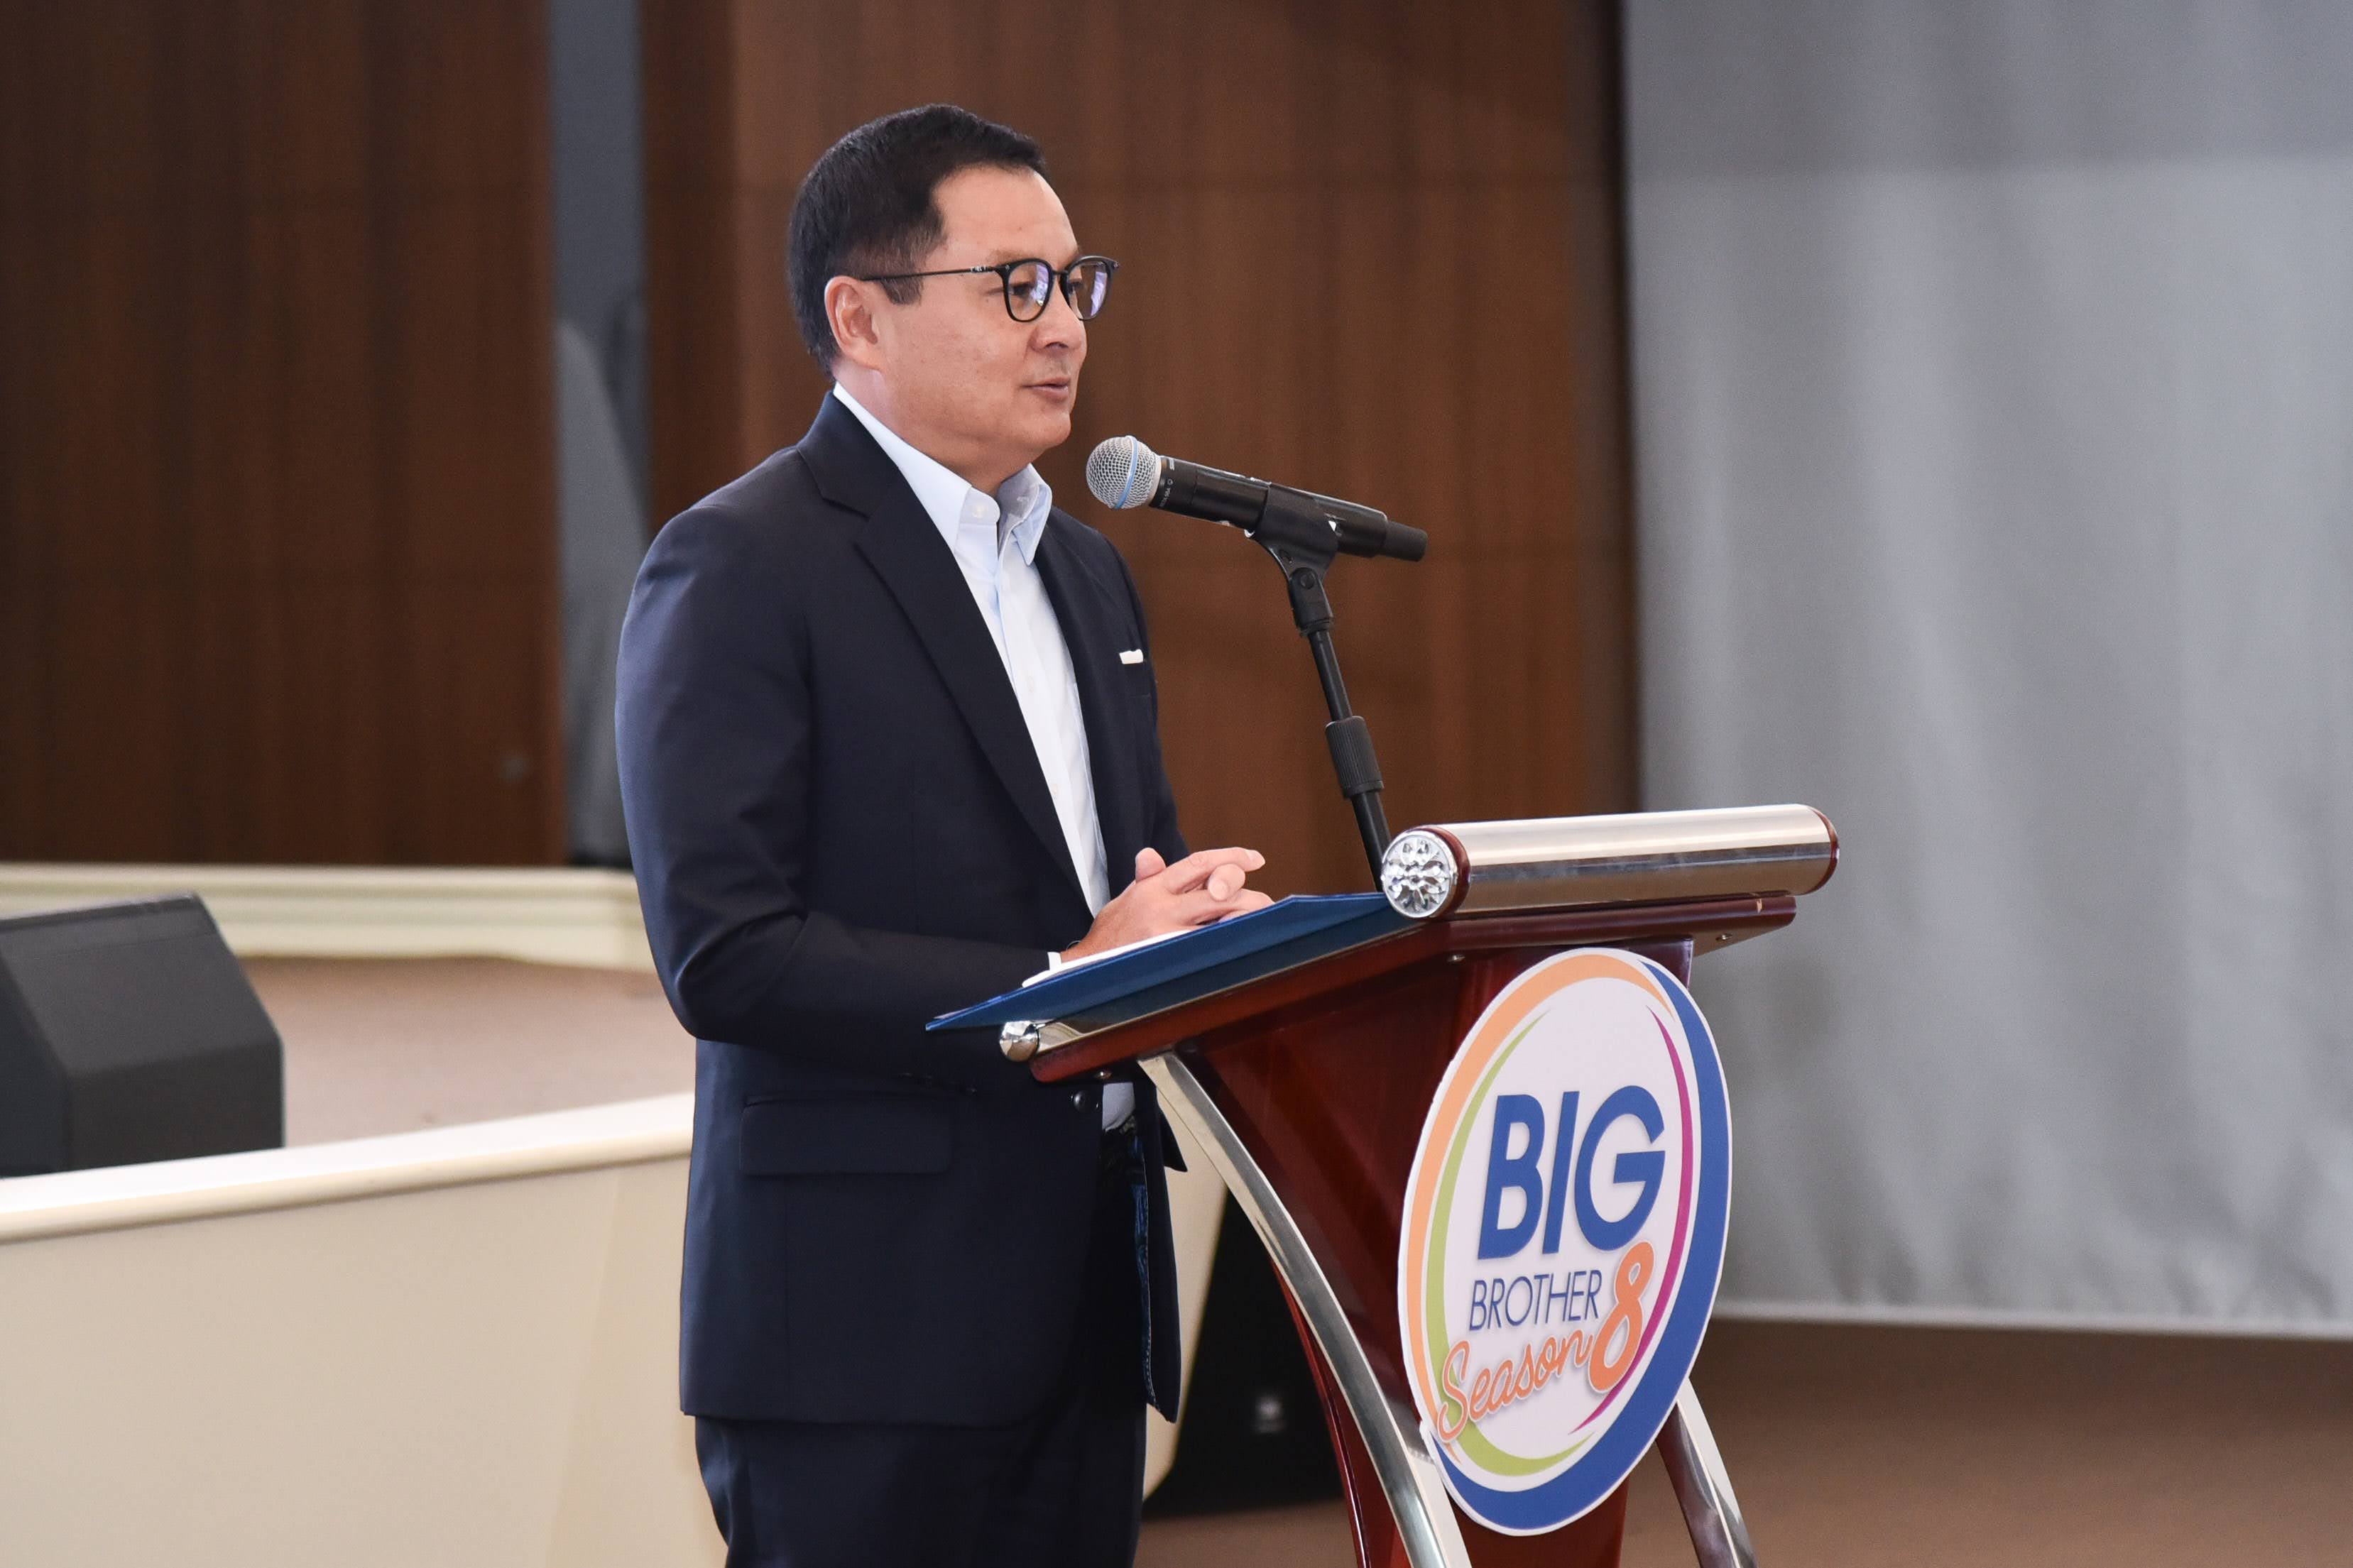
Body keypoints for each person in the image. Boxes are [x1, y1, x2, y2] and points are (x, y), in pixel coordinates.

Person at [615, 104, 1272, 1567]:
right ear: (860, 317)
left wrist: (1193, 932)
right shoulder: (740, 563)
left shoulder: (1086, 573)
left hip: (1081, 1296)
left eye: (1076, 281)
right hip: (862, 1326)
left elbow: (1118, 888)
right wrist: (1066, 977)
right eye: (1014, 286)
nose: (1065, 327)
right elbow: (726, 952)